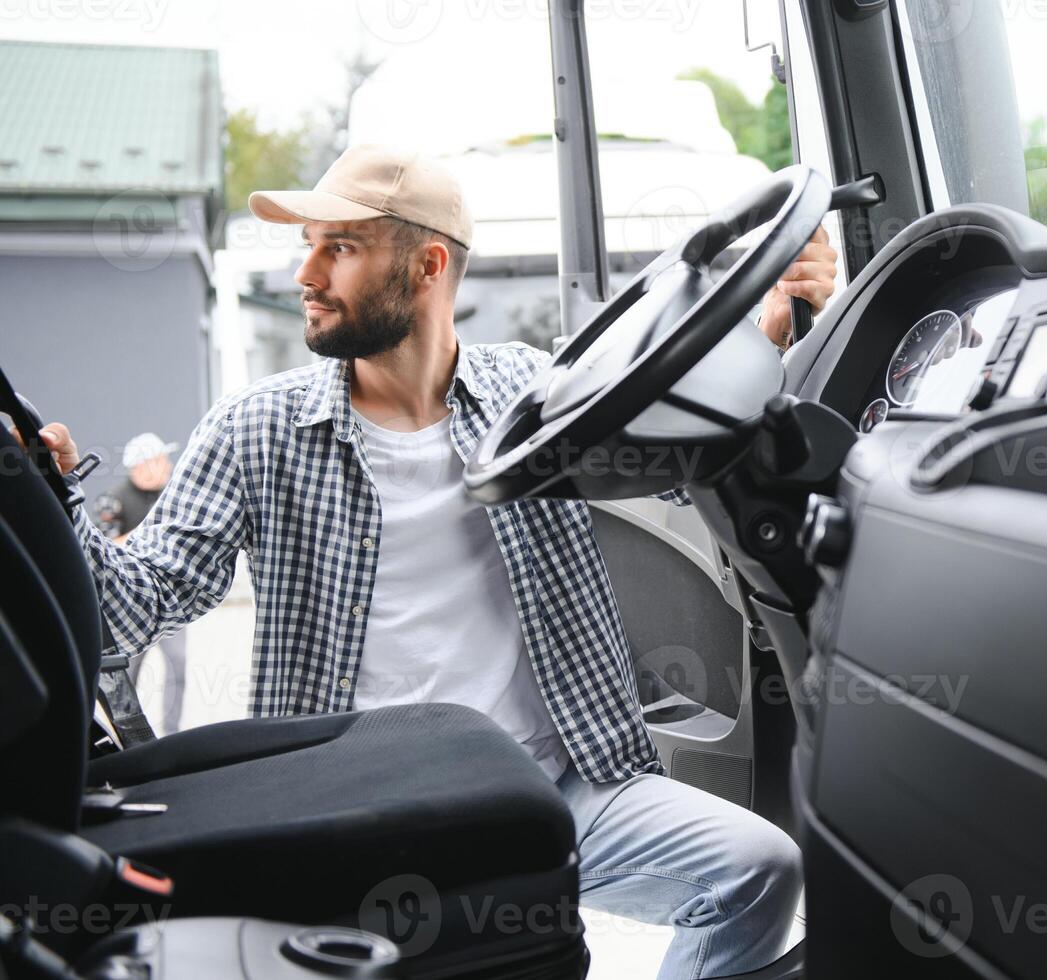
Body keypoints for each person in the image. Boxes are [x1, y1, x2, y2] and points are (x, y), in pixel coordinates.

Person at [25, 145, 837, 980]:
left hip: (564, 788)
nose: (305, 272)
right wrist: (52, 509)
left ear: (427, 265)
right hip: (358, 806)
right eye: (308, 245)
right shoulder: (255, 428)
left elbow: (672, 431)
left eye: (337, 247)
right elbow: (133, 604)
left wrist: (763, 331)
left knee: (761, 868)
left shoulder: (536, 400)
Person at [96, 432, 188, 734]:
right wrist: (149, 538)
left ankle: (172, 734)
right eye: (161, 460)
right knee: (128, 672)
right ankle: (128, 734)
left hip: (173, 596)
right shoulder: (114, 499)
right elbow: (103, 546)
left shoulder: (174, 493)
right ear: (140, 467)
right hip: (129, 602)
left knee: (179, 664)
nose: (169, 466)